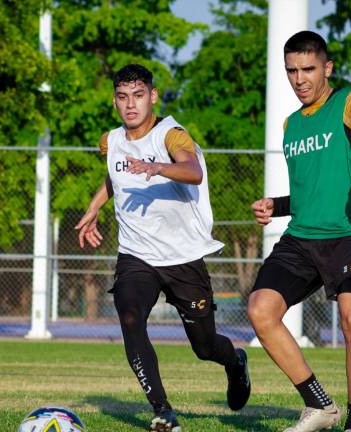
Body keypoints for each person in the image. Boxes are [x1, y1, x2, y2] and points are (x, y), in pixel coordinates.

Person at [75, 64, 250, 432]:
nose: (130, 105)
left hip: (183, 258)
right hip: (136, 254)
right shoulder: (111, 141)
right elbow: (115, 173)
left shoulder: (171, 135)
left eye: (138, 95)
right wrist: (94, 207)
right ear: (115, 101)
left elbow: (192, 171)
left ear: (153, 96)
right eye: (122, 97)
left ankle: (235, 361)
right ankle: (162, 410)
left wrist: (157, 168)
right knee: (130, 318)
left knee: (204, 347)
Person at [247, 31, 351, 432]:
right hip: (302, 237)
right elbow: (310, 193)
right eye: (292, 71)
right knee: (260, 310)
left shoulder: (350, 101)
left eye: (308, 69)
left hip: (350, 232)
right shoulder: (291, 125)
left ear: (327, 68)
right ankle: (320, 406)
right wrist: (276, 206)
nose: (300, 79)